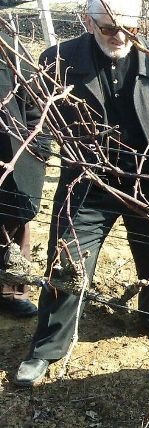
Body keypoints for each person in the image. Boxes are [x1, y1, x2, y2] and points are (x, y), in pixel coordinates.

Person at [15, 0, 149, 387]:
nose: (120, 37)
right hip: (88, 182)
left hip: (147, 181)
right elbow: (41, 121)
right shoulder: (58, 60)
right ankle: (47, 346)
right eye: (109, 28)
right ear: (87, 22)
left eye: (128, 28)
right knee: (66, 259)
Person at [0, 31, 47, 318]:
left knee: (13, 223)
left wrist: (38, 151)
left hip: (9, 160)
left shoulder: (9, 49)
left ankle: (11, 293)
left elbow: (34, 105)